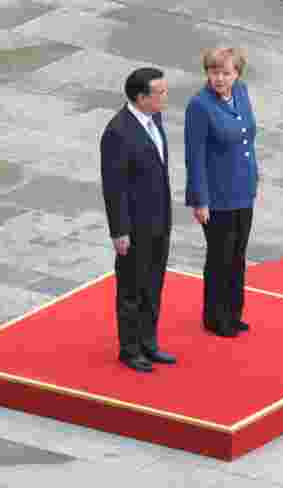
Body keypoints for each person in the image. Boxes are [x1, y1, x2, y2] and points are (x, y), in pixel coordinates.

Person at [100, 67, 177, 372]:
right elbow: (114, 186)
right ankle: (130, 350)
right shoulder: (118, 132)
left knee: (154, 285)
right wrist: (119, 232)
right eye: (160, 92)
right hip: (134, 227)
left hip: (159, 222)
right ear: (141, 97)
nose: (165, 96)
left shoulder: (154, 119)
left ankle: (149, 342)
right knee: (132, 289)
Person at [184, 47, 259, 337]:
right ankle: (216, 317)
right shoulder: (199, 106)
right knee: (220, 257)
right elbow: (195, 156)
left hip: (243, 189)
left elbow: (247, 137)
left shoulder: (241, 92)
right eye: (214, 72)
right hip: (217, 196)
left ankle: (233, 311)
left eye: (225, 73)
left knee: (238, 255)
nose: (219, 78)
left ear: (237, 74)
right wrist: (199, 199)